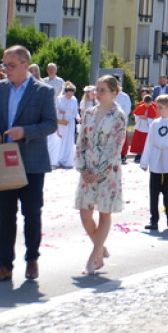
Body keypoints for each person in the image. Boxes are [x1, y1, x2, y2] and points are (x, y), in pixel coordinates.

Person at [0, 45, 58, 282]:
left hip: (31, 161)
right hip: (3, 160)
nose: (5, 70)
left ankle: (32, 259)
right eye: (3, 65)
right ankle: (4, 265)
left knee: (32, 213)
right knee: (5, 214)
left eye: (10, 66)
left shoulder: (43, 91)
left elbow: (51, 124)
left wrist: (25, 131)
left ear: (24, 65)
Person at [74, 74, 127, 275]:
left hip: (107, 171)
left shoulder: (118, 115)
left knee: (104, 212)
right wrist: (83, 167)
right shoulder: (88, 113)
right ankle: (100, 246)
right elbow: (81, 142)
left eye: (103, 89)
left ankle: (93, 257)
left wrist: (98, 171)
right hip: (87, 169)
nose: (98, 93)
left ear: (114, 92)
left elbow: (115, 147)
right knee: (84, 212)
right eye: (97, 89)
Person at [140, 94, 168, 231]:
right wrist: (145, 161)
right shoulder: (155, 123)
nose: (158, 110)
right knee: (154, 193)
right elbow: (149, 142)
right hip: (155, 162)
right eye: (157, 107)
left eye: (160, 107)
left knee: (167, 192)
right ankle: (153, 219)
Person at [49, 82, 78, 168]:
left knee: (68, 140)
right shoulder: (59, 98)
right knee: (59, 140)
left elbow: (75, 111)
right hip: (60, 121)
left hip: (69, 122)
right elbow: (55, 108)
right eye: (68, 92)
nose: (70, 94)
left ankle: (67, 160)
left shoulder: (74, 99)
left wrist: (69, 116)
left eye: (71, 92)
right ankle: (57, 159)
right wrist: (60, 113)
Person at [130, 93, 158, 162]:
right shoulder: (140, 106)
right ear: (144, 101)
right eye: (146, 103)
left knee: (146, 142)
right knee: (139, 142)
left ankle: (147, 155)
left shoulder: (153, 108)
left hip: (147, 128)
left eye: (148, 103)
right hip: (140, 126)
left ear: (151, 102)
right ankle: (138, 155)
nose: (147, 105)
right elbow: (136, 114)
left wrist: (147, 119)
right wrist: (140, 117)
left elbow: (154, 118)